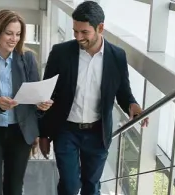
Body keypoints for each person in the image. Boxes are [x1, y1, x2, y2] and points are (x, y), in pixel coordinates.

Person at [37, 1, 149, 195]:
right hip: (66, 131)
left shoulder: (117, 56)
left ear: (100, 28)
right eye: (75, 31)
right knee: (70, 186)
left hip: (97, 133)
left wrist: (133, 105)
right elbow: (47, 94)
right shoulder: (60, 53)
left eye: (84, 32)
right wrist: (44, 134)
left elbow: (123, 91)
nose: (78, 37)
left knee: (91, 185)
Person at [0, 9, 54, 195]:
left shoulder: (27, 58)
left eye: (18, 34)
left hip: (20, 134)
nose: (14, 39)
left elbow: (35, 97)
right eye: (9, 33)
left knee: (14, 189)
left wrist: (41, 104)